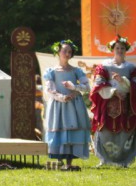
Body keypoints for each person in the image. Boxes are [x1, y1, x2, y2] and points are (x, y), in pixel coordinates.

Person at [42, 39, 91, 171]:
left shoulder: (77, 71)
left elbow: (86, 87)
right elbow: (49, 89)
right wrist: (62, 97)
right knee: (59, 128)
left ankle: (69, 163)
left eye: (70, 51)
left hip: (74, 104)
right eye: (65, 51)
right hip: (58, 104)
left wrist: (73, 87)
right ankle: (59, 162)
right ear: (58, 51)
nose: (67, 54)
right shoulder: (51, 71)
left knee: (72, 130)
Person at [89, 36, 136, 167]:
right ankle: (104, 160)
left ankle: (124, 161)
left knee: (125, 131)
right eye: (117, 48)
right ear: (112, 50)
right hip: (108, 103)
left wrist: (123, 82)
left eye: (122, 48)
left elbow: (135, 84)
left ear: (126, 50)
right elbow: (98, 83)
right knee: (104, 130)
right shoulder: (104, 66)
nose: (120, 50)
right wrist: (114, 91)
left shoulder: (131, 67)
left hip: (126, 103)